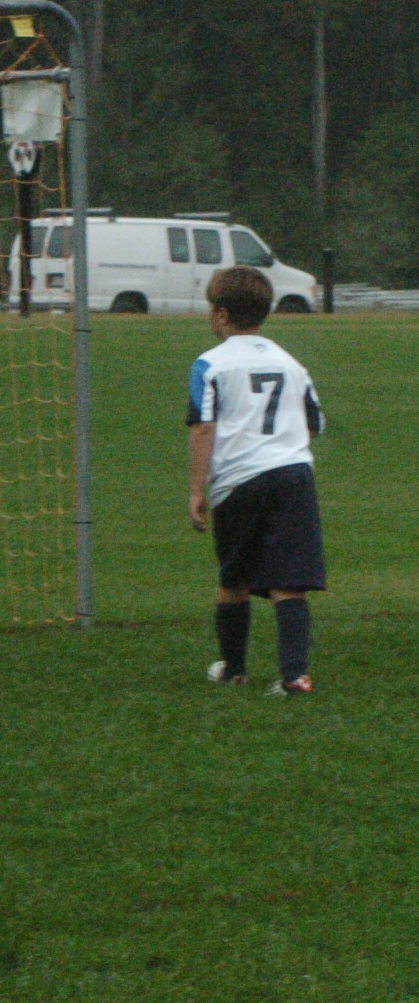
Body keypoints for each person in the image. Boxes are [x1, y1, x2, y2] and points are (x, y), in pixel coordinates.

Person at [189, 265, 325, 696]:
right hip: (293, 475)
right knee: (290, 581)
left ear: (222, 314)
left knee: (234, 579)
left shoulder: (211, 363)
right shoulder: (291, 363)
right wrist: (281, 449)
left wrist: (196, 490)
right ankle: (295, 676)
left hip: (240, 481)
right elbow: (313, 423)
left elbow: (203, 427)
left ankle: (234, 670)